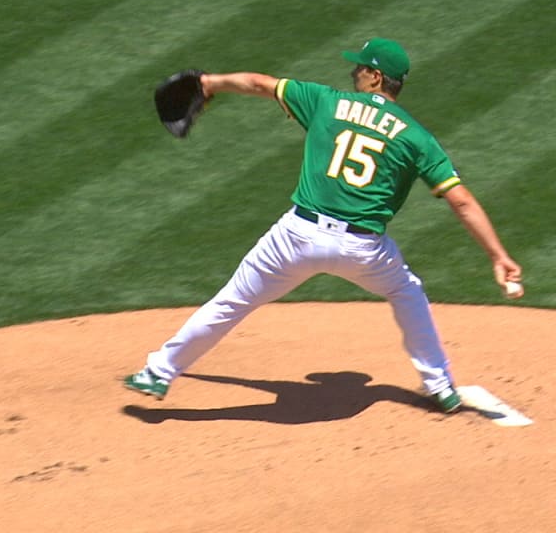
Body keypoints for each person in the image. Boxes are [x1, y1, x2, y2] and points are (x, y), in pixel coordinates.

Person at [125, 38, 523, 413]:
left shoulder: (326, 101)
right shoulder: (417, 137)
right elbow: (461, 200)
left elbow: (260, 84)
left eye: (360, 68)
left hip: (296, 238)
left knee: (233, 301)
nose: (353, 74)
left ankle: (157, 373)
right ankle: (440, 386)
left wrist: (210, 83)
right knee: (408, 292)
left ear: (376, 77)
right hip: (363, 251)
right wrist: (498, 256)